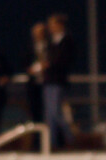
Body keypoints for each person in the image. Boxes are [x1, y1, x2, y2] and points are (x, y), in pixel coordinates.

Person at [43, 13, 75, 148]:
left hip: (58, 80)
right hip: (48, 80)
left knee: (56, 112)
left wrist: (49, 64)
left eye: (53, 24)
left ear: (60, 25)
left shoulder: (67, 40)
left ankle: (71, 138)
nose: (50, 27)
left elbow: (65, 60)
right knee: (49, 114)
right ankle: (52, 142)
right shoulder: (50, 41)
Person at [25, 22, 48, 123]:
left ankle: (50, 136)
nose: (37, 35)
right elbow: (24, 61)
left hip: (47, 81)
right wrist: (29, 69)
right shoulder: (30, 46)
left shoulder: (49, 46)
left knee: (48, 110)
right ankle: (36, 137)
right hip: (33, 83)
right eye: (35, 33)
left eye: (40, 32)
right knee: (34, 111)